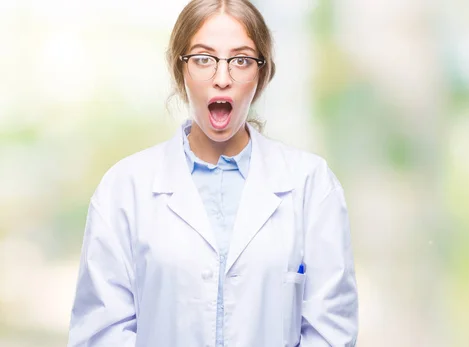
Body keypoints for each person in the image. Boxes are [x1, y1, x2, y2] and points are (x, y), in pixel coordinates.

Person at [67, 0, 358, 346]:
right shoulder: (124, 188)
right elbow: (101, 332)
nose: (222, 79)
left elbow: (330, 332)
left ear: (261, 75)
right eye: (203, 59)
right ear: (180, 70)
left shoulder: (311, 184)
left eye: (241, 60)